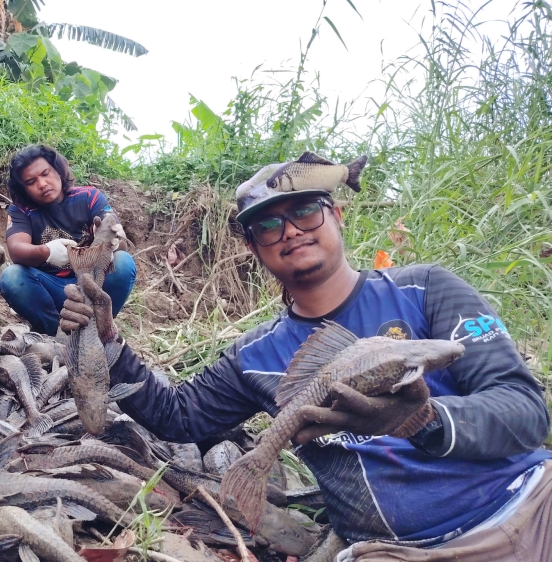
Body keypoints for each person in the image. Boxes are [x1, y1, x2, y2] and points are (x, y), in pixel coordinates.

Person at [59, 161, 552, 561]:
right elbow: (177, 415)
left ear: (336, 215)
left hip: (531, 504)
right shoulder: (253, 355)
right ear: (253, 248)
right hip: (397, 551)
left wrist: (422, 420)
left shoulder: (426, 290)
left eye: (305, 213)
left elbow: (526, 412)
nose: (290, 230)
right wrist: (106, 336)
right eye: (268, 225)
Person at [0, 144, 136, 336]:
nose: (42, 184)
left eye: (45, 173)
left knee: (123, 262)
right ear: (24, 188)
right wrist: (47, 252)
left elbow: (120, 243)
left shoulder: (89, 196)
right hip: (52, 289)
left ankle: (99, 330)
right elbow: (16, 250)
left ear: (58, 170)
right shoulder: (21, 210)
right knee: (11, 277)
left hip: (93, 283)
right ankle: (55, 333)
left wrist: (110, 238)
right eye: (31, 182)